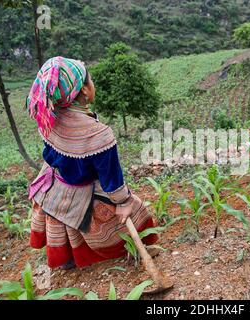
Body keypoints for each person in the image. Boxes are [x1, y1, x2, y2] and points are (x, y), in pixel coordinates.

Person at [26, 56, 158, 269]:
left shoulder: (47, 117)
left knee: (61, 218)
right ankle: (123, 249)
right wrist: (124, 202)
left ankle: (67, 260)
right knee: (133, 206)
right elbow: (111, 180)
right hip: (81, 186)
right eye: (92, 80)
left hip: (53, 186)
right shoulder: (99, 135)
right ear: (86, 90)